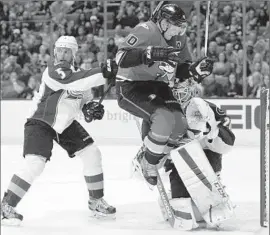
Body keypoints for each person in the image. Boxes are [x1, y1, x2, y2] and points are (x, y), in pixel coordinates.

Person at [1, 36, 117, 225]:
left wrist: (89, 109)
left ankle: (96, 200)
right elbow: (74, 82)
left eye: (66, 51)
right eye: (59, 50)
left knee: (92, 153)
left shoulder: (82, 75)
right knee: (35, 164)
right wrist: (104, 72)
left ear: (74, 54)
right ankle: (6, 206)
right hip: (41, 121)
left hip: (65, 125)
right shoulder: (53, 70)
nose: (62, 54)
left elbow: (83, 99)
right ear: (55, 52)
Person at [115, 4, 214, 186]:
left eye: (182, 26)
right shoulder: (146, 30)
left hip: (159, 85)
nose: (180, 30)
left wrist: (194, 71)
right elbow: (120, 57)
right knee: (165, 119)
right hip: (132, 85)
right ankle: (148, 162)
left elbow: (180, 70)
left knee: (180, 125)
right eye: (177, 25)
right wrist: (148, 53)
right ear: (164, 23)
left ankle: (153, 155)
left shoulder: (178, 38)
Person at [134, 78, 235, 229]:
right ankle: (172, 198)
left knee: (205, 211)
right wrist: (153, 158)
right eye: (174, 87)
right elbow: (151, 149)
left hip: (206, 162)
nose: (178, 92)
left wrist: (214, 132)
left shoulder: (203, 107)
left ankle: (215, 187)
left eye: (182, 86)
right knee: (189, 213)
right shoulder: (158, 113)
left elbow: (226, 143)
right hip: (177, 165)